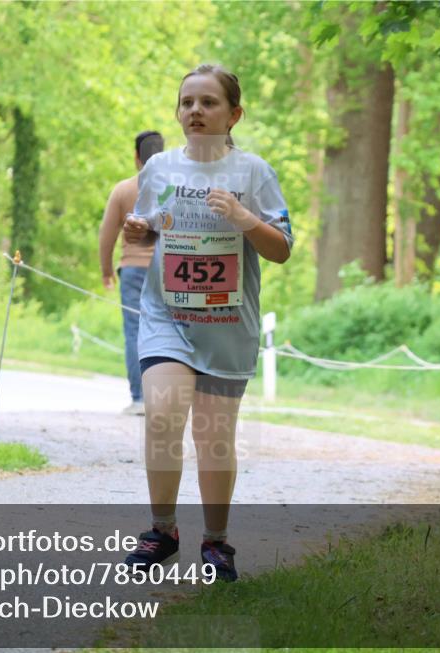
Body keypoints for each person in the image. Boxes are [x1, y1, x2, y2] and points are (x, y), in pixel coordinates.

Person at [121, 64, 293, 582]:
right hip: (166, 317)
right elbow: (150, 233)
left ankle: (216, 543)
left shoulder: (254, 173)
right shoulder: (160, 168)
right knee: (163, 414)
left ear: (234, 113)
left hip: (226, 323)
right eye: (187, 102)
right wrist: (140, 228)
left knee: (214, 439)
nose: (195, 111)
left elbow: (282, 248)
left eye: (208, 102)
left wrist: (244, 218)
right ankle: (162, 531)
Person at [98, 130, 164, 416]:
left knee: (134, 332)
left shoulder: (123, 190)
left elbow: (107, 234)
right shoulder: (174, 188)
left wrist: (106, 270)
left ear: (136, 157)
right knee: (167, 333)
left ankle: (139, 399)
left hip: (134, 269)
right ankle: (165, 399)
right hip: (169, 269)